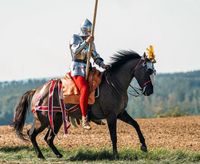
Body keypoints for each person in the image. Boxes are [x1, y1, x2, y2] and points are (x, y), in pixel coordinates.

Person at [69, 18, 109, 130]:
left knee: (98, 86)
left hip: (88, 69)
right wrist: (86, 42)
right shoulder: (75, 38)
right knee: (85, 89)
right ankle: (84, 118)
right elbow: (76, 51)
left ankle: (93, 115)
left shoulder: (91, 42)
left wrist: (103, 65)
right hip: (77, 68)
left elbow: (95, 56)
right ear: (85, 30)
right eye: (88, 31)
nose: (90, 33)